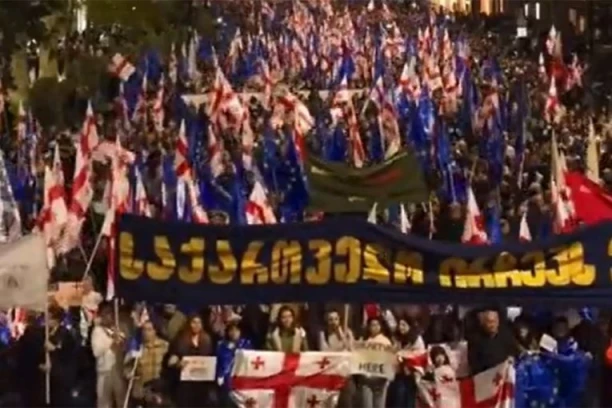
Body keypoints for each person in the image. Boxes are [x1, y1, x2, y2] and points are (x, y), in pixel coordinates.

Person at [167, 314, 215, 407]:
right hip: (185, 382)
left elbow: (210, 357)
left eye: (199, 322)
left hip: (201, 382)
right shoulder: (180, 339)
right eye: (194, 322)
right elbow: (173, 358)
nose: (196, 325)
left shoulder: (207, 339)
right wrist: (177, 363)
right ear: (189, 323)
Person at [91, 304, 127, 408]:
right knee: (104, 402)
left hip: (118, 371)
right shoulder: (97, 331)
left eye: (110, 313)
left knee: (122, 400)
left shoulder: (119, 329)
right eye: (106, 314)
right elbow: (96, 351)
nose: (109, 316)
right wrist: (111, 342)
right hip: (104, 372)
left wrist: (121, 340)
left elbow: (126, 349)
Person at [318, 309, 355, 408]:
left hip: (345, 375)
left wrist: (342, 336)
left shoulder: (347, 332)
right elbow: (325, 352)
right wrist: (339, 349)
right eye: (331, 319)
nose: (334, 322)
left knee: (346, 403)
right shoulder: (323, 334)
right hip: (330, 375)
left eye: (336, 319)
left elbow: (351, 350)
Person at [467, 309, 518, 375]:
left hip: (505, 374)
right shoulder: (475, 340)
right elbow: (473, 363)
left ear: (498, 322)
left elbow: (513, 354)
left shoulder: (507, 337)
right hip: (484, 376)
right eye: (489, 322)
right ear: (483, 323)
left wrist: (508, 362)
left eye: (494, 321)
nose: (492, 325)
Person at [389, 317, 424, 408]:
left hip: (411, 374)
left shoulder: (416, 339)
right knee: (398, 400)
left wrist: (405, 356)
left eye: (404, 325)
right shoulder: (396, 339)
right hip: (397, 374)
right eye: (399, 325)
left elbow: (420, 355)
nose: (401, 327)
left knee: (409, 401)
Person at [130, 321, 169, 405]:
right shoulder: (137, 347)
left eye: (149, 330)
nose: (146, 333)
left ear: (155, 331)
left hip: (158, 391)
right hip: (141, 392)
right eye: (144, 330)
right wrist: (129, 373)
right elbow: (128, 366)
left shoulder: (164, 346)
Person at [356, 317, 392, 408]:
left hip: (380, 380)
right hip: (366, 379)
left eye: (377, 325)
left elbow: (390, 360)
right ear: (368, 327)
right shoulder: (364, 341)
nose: (375, 327)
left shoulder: (386, 341)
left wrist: (388, 378)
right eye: (372, 325)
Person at [216, 321, 252, 407]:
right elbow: (219, 363)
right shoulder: (221, 345)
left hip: (242, 381)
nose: (233, 333)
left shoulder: (247, 344)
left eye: (236, 330)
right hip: (227, 382)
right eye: (231, 330)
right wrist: (220, 375)